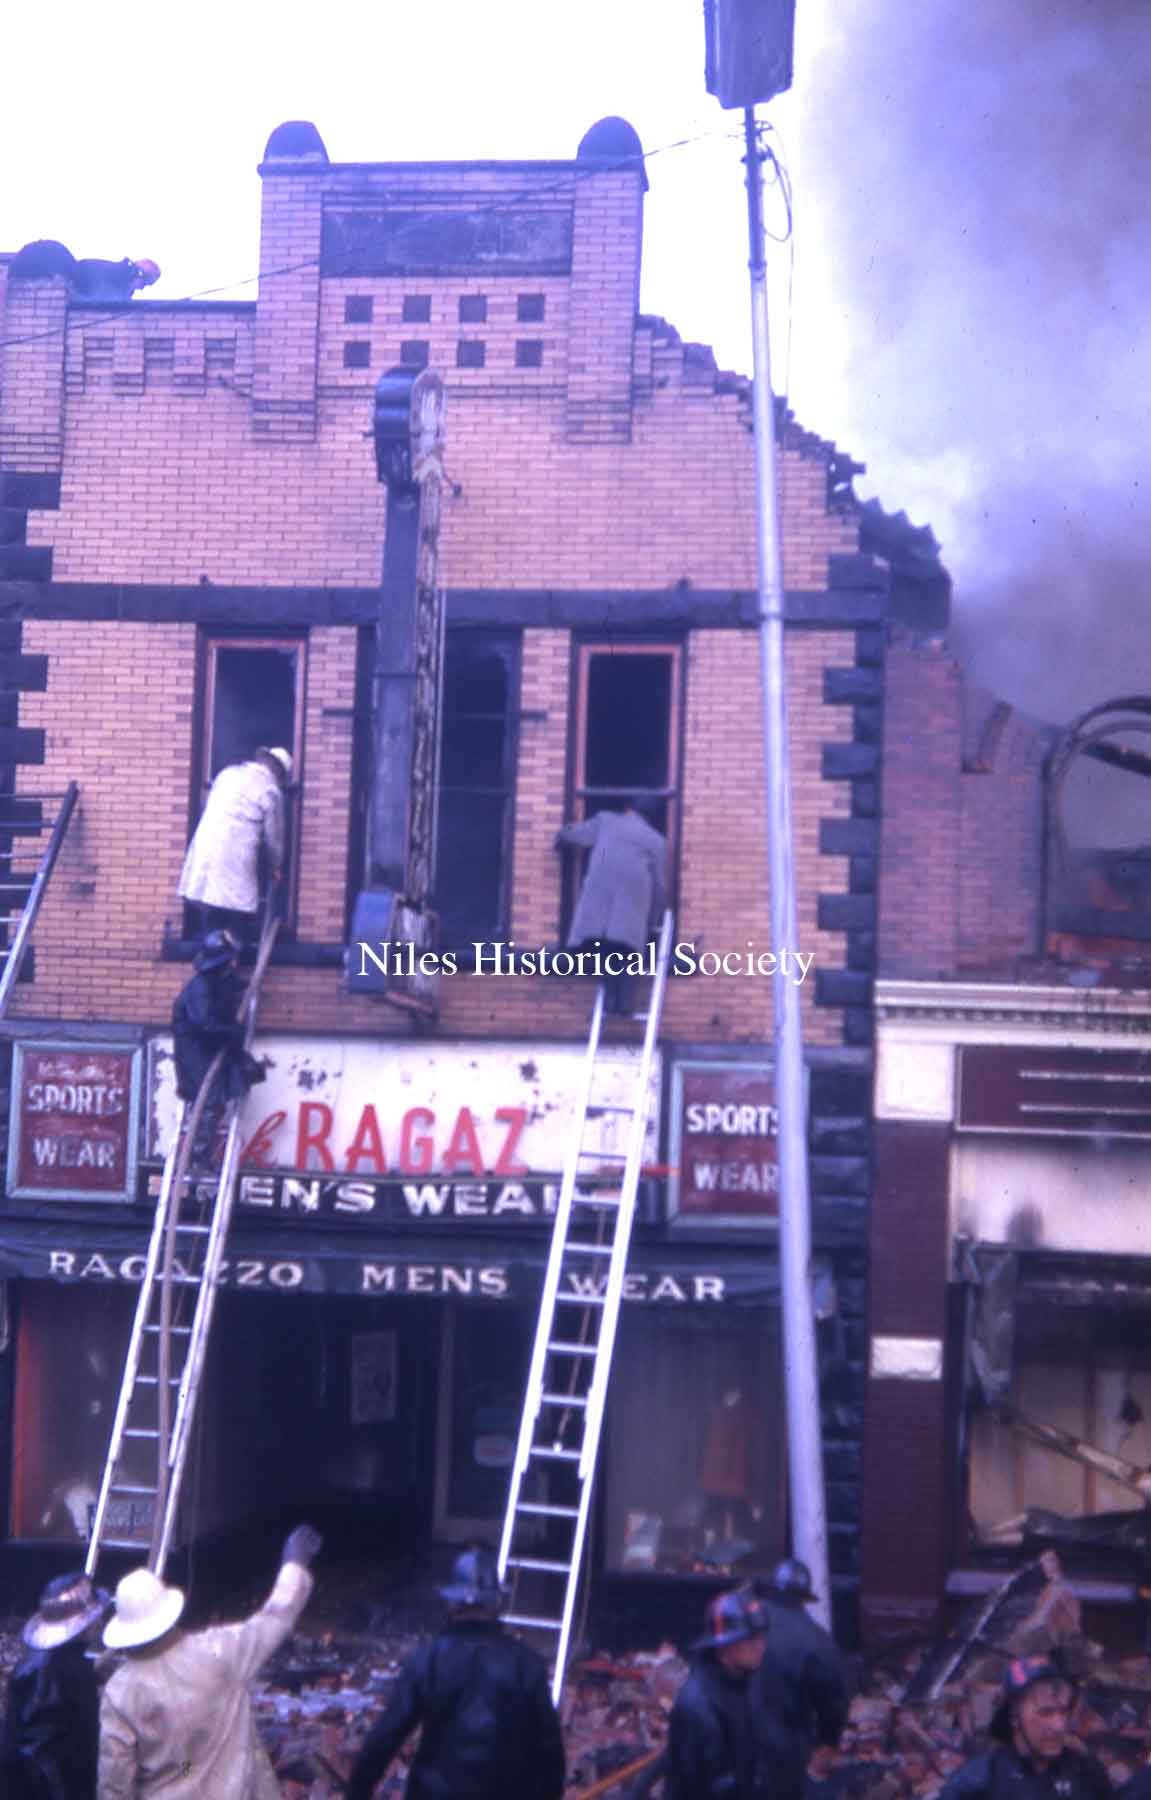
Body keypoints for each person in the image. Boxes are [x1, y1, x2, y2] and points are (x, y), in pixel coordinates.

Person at [97, 1523, 321, 1799]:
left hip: (180, 1779)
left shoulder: (120, 1692)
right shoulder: (219, 1651)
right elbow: (274, 1617)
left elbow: (115, 1783)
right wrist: (294, 1565)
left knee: (187, 1768)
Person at [346, 1546, 565, 1800]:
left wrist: (358, 1791)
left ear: (451, 1604)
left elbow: (387, 1735)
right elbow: (550, 1751)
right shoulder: (525, 1664)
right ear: (496, 1605)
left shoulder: (427, 1661)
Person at [939, 1657, 1112, 1800]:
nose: (1059, 1726)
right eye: (1045, 1713)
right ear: (1015, 1717)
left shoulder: (1085, 1773)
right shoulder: (981, 1780)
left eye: (1063, 1712)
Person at [555, 796, 668, 1014]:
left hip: (600, 910)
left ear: (628, 809)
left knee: (606, 951)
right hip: (632, 911)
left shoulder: (606, 821)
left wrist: (561, 836)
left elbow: (573, 835)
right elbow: (658, 888)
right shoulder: (657, 841)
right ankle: (623, 1003)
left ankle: (610, 999)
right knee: (625, 952)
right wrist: (653, 921)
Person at [0, 1571, 108, 1799]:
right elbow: (41, 1756)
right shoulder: (54, 1672)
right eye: (94, 1617)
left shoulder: (57, 1659)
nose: (100, 1622)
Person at [751, 1558, 849, 1800]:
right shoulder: (817, 1641)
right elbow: (835, 1702)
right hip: (785, 1755)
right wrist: (828, 1739)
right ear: (805, 1598)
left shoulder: (742, 1624)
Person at [664, 1585, 772, 1800]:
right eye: (750, 1639)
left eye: (761, 1637)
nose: (761, 1646)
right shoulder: (699, 1706)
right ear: (723, 1646)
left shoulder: (740, 1682)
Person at [171, 928, 265, 1167]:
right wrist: (230, 1030)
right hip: (194, 1049)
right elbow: (204, 1024)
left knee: (245, 1074)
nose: (234, 963)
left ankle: (201, 1150)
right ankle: (198, 1154)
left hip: (213, 1045)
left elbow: (232, 988)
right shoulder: (200, 988)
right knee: (209, 1098)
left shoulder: (220, 980)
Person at [177, 746, 291, 938]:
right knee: (237, 909)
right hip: (235, 854)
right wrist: (275, 866)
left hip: (205, 844)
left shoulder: (227, 774)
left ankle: (213, 945)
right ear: (279, 772)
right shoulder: (270, 789)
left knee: (213, 903)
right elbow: (274, 837)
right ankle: (227, 948)